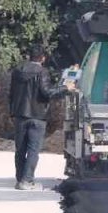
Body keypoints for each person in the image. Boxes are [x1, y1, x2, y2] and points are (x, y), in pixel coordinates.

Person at [9, 45, 74, 190]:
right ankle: (27, 180)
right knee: (33, 150)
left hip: (20, 115)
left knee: (20, 150)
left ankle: (20, 180)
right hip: (37, 116)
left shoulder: (17, 71)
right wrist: (65, 88)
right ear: (43, 58)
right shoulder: (42, 72)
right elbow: (46, 92)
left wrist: (12, 112)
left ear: (29, 56)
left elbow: (11, 94)